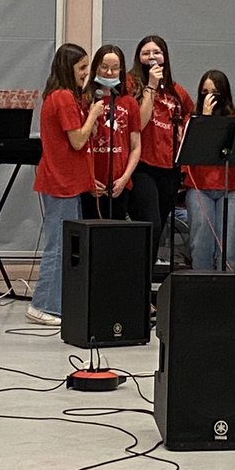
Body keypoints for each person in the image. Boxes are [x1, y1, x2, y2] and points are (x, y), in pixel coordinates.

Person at [27, 44, 102, 326]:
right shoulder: (62, 98)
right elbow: (77, 141)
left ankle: (57, 302)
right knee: (57, 247)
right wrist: (94, 114)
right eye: (82, 68)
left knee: (67, 246)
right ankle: (42, 303)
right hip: (60, 183)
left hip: (70, 181)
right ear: (67, 69)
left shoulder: (68, 97)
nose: (86, 73)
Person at [127, 36, 194, 274]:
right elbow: (140, 123)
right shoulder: (131, 84)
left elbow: (190, 122)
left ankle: (146, 282)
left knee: (161, 227)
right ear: (139, 57)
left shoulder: (177, 91)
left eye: (157, 52)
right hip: (143, 166)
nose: (152, 56)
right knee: (150, 224)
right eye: (146, 53)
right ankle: (137, 282)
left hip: (170, 169)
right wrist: (151, 87)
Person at [184, 70, 235, 271]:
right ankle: (202, 290)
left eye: (215, 92)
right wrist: (204, 118)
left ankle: (227, 294)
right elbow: (192, 151)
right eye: (205, 92)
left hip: (230, 188)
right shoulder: (191, 120)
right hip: (200, 188)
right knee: (200, 243)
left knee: (229, 246)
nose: (210, 97)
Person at [81, 44, 141, 220]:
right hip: (91, 184)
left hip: (119, 184)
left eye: (115, 68)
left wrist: (124, 179)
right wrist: (88, 179)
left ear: (121, 71)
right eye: (104, 67)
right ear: (96, 68)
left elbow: (136, 146)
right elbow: (78, 143)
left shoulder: (129, 102)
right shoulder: (85, 100)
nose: (109, 73)